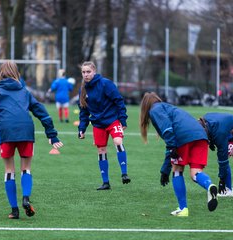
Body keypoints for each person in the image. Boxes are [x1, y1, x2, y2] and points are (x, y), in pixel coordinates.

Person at [0, 61, 63, 219]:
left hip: (6, 132)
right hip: (26, 131)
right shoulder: (24, 92)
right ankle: (26, 198)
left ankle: (14, 210)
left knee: (9, 171)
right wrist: (52, 134)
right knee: (26, 169)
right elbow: (41, 112)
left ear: (1, 74)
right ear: (17, 73)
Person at [140, 92, 218, 217]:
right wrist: (165, 169)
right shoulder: (169, 107)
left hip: (184, 137)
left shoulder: (155, 109)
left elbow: (167, 129)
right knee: (195, 173)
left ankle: (183, 209)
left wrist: (171, 149)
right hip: (201, 135)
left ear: (145, 106)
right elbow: (170, 141)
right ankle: (209, 186)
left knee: (177, 170)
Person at [78, 61, 130, 190]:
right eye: (83, 72)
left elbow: (118, 100)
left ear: (94, 71)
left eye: (88, 72)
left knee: (118, 141)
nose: (86, 75)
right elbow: (83, 111)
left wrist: (122, 120)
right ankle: (105, 182)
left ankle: (124, 173)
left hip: (112, 120)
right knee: (101, 150)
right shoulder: (83, 89)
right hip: (98, 124)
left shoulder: (105, 84)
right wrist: (82, 128)